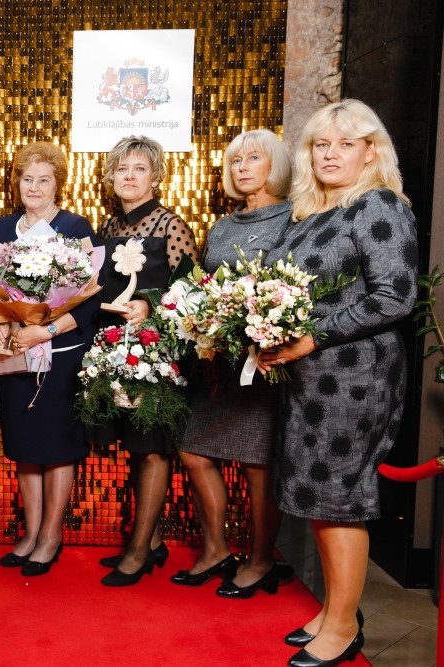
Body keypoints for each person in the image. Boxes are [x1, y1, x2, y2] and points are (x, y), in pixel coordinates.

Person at [258, 99, 417, 667]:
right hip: (312, 380)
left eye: (345, 144)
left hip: (356, 378)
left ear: (370, 152)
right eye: (321, 144)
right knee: (318, 498)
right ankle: (335, 610)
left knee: (339, 500)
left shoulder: (377, 204)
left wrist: (310, 337)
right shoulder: (312, 211)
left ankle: (345, 626)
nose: (330, 154)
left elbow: (396, 296)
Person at [172, 129, 294, 597]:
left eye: (253, 158)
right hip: (220, 362)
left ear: (274, 165)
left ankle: (261, 559)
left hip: (265, 363)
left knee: (257, 464)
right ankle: (216, 550)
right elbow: (205, 286)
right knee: (193, 451)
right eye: (236, 161)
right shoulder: (224, 226)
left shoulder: (295, 219)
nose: (242, 168)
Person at [0, 141, 99, 576]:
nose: (34, 187)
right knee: (25, 447)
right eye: (27, 178)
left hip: (61, 354)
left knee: (57, 447)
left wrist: (45, 330)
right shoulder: (4, 227)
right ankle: (30, 534)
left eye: (44, 180)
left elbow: (89, 299)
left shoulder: (75, 226)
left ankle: (51, 536)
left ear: (58, 184)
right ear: (17, 183)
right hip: (15, 353)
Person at [95, 135, 198, 586]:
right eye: (122, 169)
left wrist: (150, 306)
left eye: (139, 169)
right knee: (135, 447)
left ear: (155, 177)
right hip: (116, 351)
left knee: (153, 447)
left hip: (158, 353)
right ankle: (152, 542)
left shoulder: (170, 225)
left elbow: (192, 291)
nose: (130, 176)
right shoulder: (108, 228)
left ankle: (137, 553)